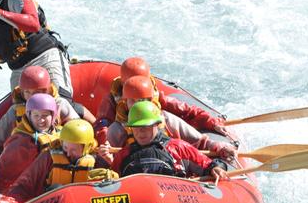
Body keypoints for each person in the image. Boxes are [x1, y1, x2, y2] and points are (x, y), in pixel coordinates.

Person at [0, 66, 94, 164]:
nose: (33, 97)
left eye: (38, 91)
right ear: (22, 92)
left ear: (47, 90)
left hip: (55, 155)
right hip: (25, 158)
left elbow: (78, 130)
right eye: (28, 92)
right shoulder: (15, 111)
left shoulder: (60, 104)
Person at [94, 56, 229, 145]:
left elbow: (184, 110)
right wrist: (104, 143)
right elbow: (102, 124)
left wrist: (211, 122)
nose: (137, 85)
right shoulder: (113, 106)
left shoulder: (158, 105)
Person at [105, 75, 236, 161]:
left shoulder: (166, 119)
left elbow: (200, 142)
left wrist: (219, 146)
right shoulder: (116, 130)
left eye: (142, 100)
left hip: (168, 173)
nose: (138, 105)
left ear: (151, 100)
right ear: (125, 101)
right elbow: (107, 163)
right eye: (132, 101)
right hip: (132, 176)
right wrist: (107, 159)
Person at [0, 93, 61, 202]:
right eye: (36, 115)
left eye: (45, 115)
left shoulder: (61, 137)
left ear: (53, 115)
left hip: (49, 190)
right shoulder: (23, 142)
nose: (41, 120)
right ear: (29, 116)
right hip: (24, 192)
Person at [98, 101, 229, 181]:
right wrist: (108, 160)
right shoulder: (124, 154)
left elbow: (206, 163)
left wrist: (215, 168)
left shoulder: (177, 146)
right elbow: (115, 178)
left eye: (146, 127)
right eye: (136, 128)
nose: (141, 132)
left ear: (156, 125)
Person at [0, 119, 98, 203]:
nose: (68, 153)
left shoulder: (96, 159)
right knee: (57, 189)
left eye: (74, 150)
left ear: (87, 148)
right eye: (66, 148)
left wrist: (108, 162)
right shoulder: (49, 156)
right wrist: (9, 200)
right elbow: (25, 184)